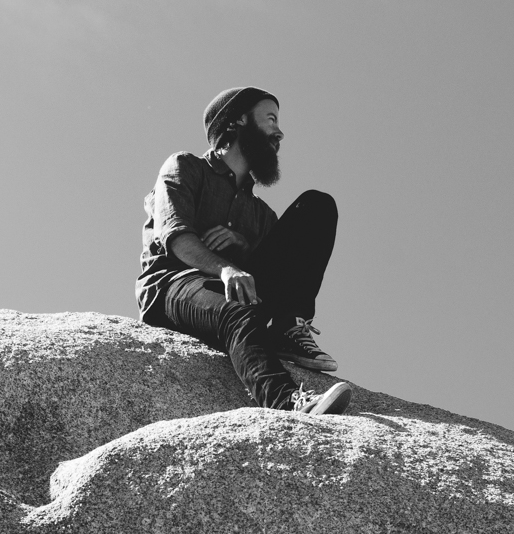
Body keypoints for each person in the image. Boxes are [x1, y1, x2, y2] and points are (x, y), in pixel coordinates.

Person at [135, 86, 352, 415]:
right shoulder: (185, 167)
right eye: (270, 119)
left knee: (316, 206)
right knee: (236, 309)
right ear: (238, 121)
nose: (279, 133)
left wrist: (244, 247)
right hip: (173, 286)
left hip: (237, 291)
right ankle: (288, 402)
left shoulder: (261, 214)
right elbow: (176, 238)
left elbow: (274, 272)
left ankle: (286, 328)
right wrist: (226, 268)